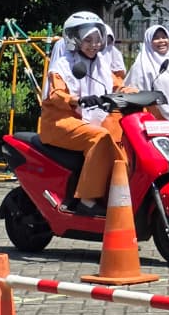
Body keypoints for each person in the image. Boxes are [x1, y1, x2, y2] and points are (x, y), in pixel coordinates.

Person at [38, 11, 126, 215]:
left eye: (97, 39)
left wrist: (138, 93)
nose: (94, 45)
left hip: (88, 119)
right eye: (88, 40)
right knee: (100, 137)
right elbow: (55, 95)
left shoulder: (101, 63)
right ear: (75, 40)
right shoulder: (63, 65)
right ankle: (87, 200)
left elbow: (117, 85)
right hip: (61, 121)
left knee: (122, 134)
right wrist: (76, 100)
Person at [123, 24, 169, 119]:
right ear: (149, 41)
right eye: (156, 38)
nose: (161, 41)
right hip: (152, 118)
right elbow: (131, 92)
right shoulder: (141, 66)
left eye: (164, 37)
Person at [101, 23, 126, 89]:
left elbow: (120, 78)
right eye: (102, 42)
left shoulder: (115, 53)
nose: (106, 46)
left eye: (108, 41)